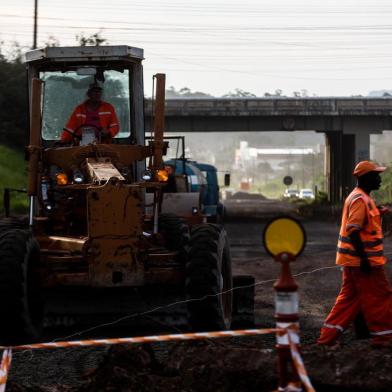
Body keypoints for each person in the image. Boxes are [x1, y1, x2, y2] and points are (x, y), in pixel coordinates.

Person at [318, 160, 392, 347]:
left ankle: (326, 339)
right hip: (364, 263)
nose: (379, 180)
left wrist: (379, 211)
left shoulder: (360, 198)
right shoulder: (360, 199)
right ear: (366, 178)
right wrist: (364, 259)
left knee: (348, 301)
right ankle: (384, 338)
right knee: (380, 297)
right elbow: (353, 230)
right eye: (376, 176)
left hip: (353, 263)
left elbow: (363, 221)